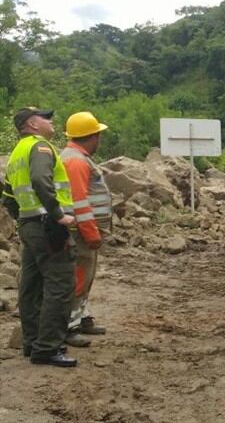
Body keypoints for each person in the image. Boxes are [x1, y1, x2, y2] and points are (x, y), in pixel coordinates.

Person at [1, 107, 78, 367]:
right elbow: (39, 178)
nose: (51, 120)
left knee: (31, 285)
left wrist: (25, 217)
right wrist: (57, 215)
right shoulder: (40, 148)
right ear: (33, 124)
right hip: (48, 227)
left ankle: (32, 342)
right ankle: (47, 347)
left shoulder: (16, 154)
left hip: (30, 225)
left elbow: (8, 197)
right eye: (46, 118)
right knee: (60, 283)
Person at [61, 112, 112, 348]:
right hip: (80, 233)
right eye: (98, 135)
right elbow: (79, 201)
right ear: (91, 136)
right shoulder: (76, 161)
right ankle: (70, 326)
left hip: (83, 230)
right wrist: (92, 234)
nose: (99, 140)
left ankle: (82, 317)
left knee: (86, 274)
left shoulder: (76, 157)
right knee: (79, 277)